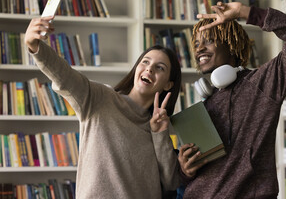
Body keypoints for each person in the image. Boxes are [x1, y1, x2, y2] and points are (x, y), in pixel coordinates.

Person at [24, 16, 182, 199]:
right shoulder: (100, 98)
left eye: (160, 67)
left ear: (168, 85)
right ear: (137, 67)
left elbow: (171, 182)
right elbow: (64, 75)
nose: (149, 69)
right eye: (145, 62)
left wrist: (159, 134)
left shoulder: (159, 127)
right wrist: (35, 47)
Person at [177, 1, 286, 198]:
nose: (200, 49)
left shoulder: (261, 84)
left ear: (231, 45)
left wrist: (245, 12)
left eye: (208, 40)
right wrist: (186, 171)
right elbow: (195, 176)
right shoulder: (206, 103)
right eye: (197, 44)